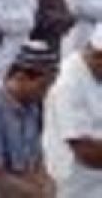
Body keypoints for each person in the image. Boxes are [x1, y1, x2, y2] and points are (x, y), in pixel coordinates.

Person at [0, 39, 58, 197]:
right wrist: (37, 193)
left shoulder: (32, 105)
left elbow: (36, 159)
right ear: (21, 77)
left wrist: (47, 183)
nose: (45, 93)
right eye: (42, 86)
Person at [44, 25, 102, 196]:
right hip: (77, 187)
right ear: (98, 57)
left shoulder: (97, 73)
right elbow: (86, 152)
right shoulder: (68, 83)